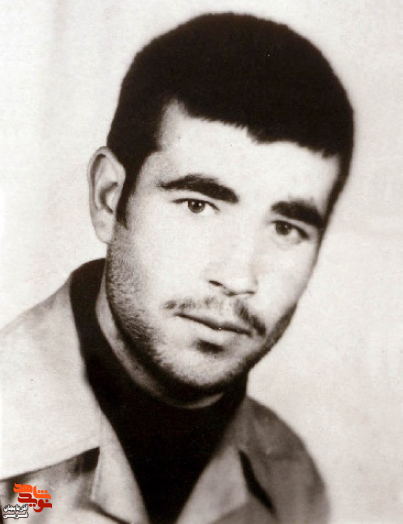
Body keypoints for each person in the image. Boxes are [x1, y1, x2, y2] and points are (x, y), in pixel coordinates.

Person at [0, 12, 353, 524]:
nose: (238, 278)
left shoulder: (290, 482)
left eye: (285, 229)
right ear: (109, 198)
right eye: (197, 205)